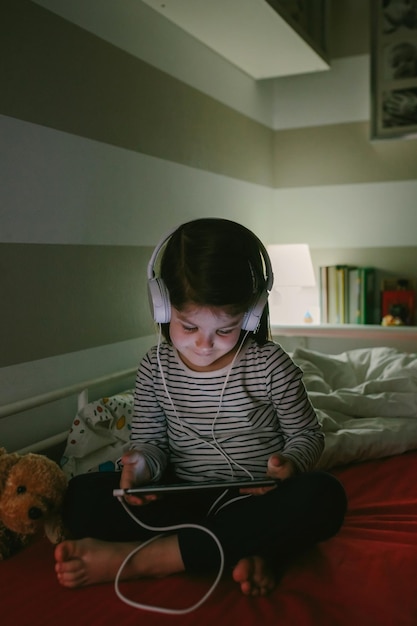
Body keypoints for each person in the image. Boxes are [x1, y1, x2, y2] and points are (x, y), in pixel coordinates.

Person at [55, 218, 347, 598]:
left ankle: (147, 559)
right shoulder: (154, 367)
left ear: (251, 313)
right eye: (189, 327)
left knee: (323, 497)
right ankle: (252, 551)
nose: (205, 345)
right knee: (79, 498)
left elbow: (307, 434)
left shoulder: (269, 364)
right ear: (162, 308)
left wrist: (290, 464)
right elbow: (150, 443)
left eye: (225, 330)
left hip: (253, 501)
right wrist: (141, 466)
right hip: (182, 500)